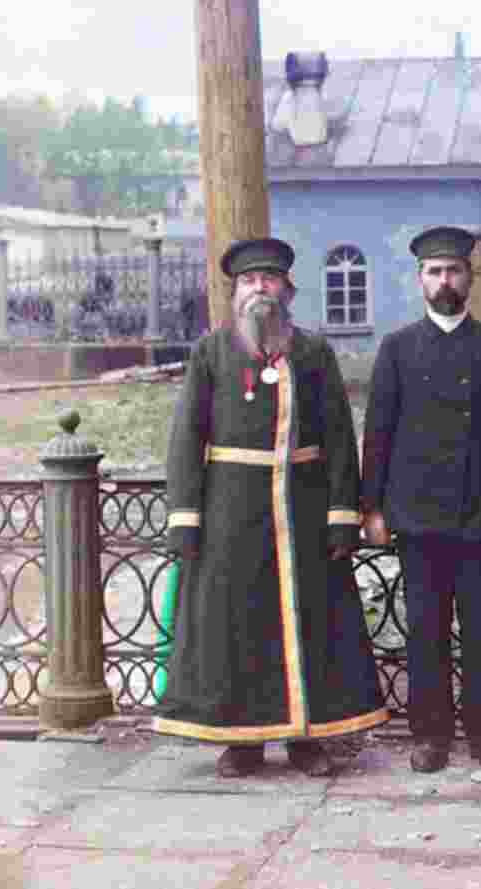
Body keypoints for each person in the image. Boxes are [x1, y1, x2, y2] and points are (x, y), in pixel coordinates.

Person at [155, 237, 389, 777]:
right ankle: (242, 742)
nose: (259, 287)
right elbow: (187, 438)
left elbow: (337, 435)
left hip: (303, 514)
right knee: (238, 625)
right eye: (248, 281)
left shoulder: (313, 353)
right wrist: (185, 518)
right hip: (230, 515)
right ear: (235, 293)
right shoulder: (210, 353)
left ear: (287, 289)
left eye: (269, 279)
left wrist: (341, 515)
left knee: (311, 622)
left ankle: (308, 741)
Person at [361, 226, 481, 773]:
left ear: (469, 278)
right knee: (425, 632)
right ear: (419, 281)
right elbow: (378, 433)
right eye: (434, 272)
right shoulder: (398, 348)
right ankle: (430, 737)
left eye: (453, 270)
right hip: (419, 517)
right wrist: (374, 508)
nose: (444, 280)